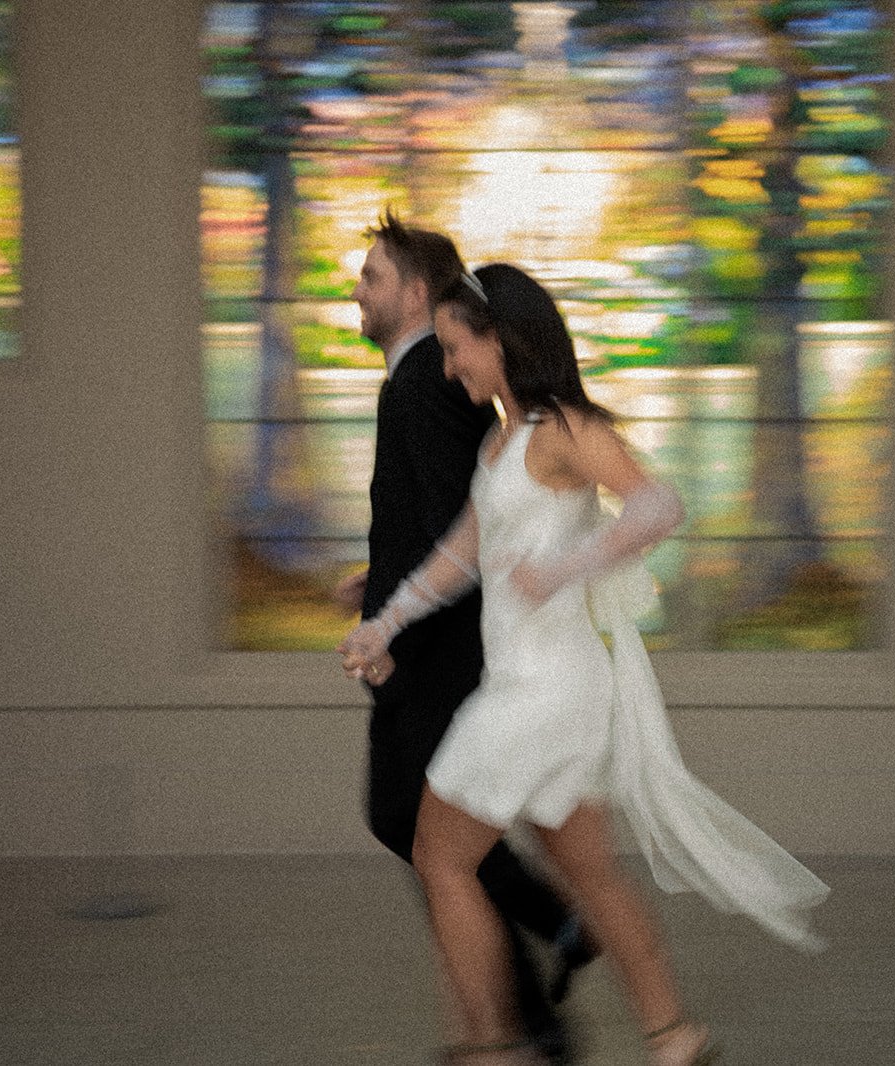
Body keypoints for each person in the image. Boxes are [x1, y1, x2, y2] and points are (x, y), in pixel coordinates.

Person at [340, 263, 829, 1065]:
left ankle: (489, 1047)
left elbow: (658, 504)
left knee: (439, 855)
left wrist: (573, 567)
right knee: (589, 873)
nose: (450, 364)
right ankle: (675, 1036)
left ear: (502, 339)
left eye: (459, 347)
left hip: (541, 693)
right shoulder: (502, 441)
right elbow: (462, 553)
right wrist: (385, 623)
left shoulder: (564, 428)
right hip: (539, 690)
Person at [333, 213, 594, 1063]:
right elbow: (441, 518)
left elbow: (468, 525)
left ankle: (521, 1009)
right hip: (424, 640)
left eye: (371, 276)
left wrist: (395, 615)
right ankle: (529, 1000)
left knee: (418, 827)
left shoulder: (423, 387)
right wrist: (376, 589)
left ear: (415, 291)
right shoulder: (417, 386)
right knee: (428, 834)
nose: (358, 291)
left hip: (441, 658)